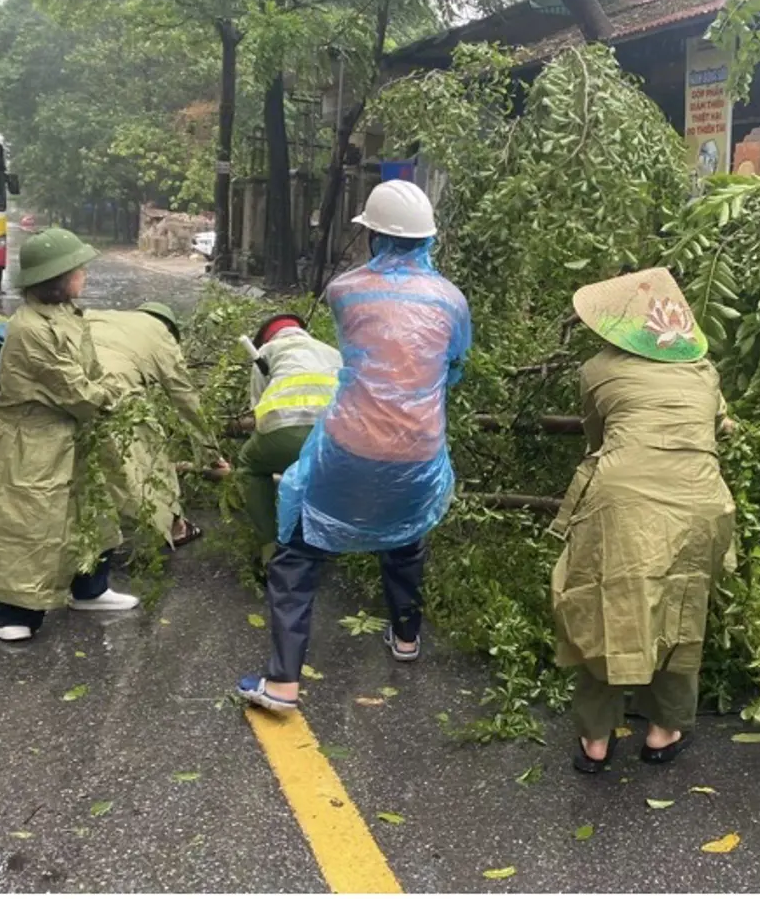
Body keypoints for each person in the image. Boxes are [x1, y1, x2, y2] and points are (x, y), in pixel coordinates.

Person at [238, 179, 471, 712]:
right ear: (427, 239)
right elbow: (453, 366)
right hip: (418, 450)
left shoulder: (344, 290)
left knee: (298, 555)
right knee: (406, 533)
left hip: (347, 446)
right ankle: (407, 639)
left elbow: (367, 350)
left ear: (373, 236)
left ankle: (282, 685)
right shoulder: (453, 300)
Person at [550, 267, 736, 773]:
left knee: (604, 604)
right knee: (680, 608)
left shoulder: (597, 371)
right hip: (698, 501)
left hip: (620, 501)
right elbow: (720, 427)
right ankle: (662, 731)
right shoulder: (704, 370)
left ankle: (596, 741)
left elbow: (597, 436)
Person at [0, 228, 137, 642]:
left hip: (70, 432)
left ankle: (89, 589)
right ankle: (11, 611)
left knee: (91, 512)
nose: (84, 275)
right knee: (26, 524)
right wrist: (116, 395)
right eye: (79, 269)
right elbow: (74, 389)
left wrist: (105, 390)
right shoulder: (31, 328)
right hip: (30, 440)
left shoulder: (66, 314)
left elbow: (88, 373)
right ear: (58, 277)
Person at [85, 302, 230, 549]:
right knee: (153, 458)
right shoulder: (161, 334)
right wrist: (212, 453)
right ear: (170, 329)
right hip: (115, 392)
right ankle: (176, 528)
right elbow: (186, 398)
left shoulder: (102, 316)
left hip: (65, 385)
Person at [237, 312, 342, 541]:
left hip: (283, 433)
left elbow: (258, 410)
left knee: (250, 465)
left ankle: (269, 546)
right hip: (332, 440)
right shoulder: (333, 353)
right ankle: (327, 535)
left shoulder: (263, 353)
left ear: (267, 338)